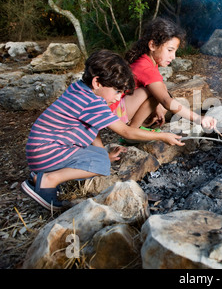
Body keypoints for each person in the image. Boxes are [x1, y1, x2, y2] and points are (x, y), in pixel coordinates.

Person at [21, 49, 185, 211]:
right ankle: (50, 179)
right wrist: (163, 136)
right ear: (97, 82)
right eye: (117, 91)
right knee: (101, 164)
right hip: (46, 152)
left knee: (101, 157)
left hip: (41, 150)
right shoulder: (93, 103)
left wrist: (102, 153)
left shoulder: (79, 89)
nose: (117, 97)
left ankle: (38, 178)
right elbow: (126, 132)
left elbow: (93, 128)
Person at [109, 17, 217, 133]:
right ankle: (132, 131)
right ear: (152, 45)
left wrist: (158, 107)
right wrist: (197, 118)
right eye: (170, 50)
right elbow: (166, 100)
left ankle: (137, 125)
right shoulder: (144, 66)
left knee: (161, 89)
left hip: (123, 109)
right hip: (115, 114)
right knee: (156, 93)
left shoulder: (148, 60)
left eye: (174, 51)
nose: (173, 57)